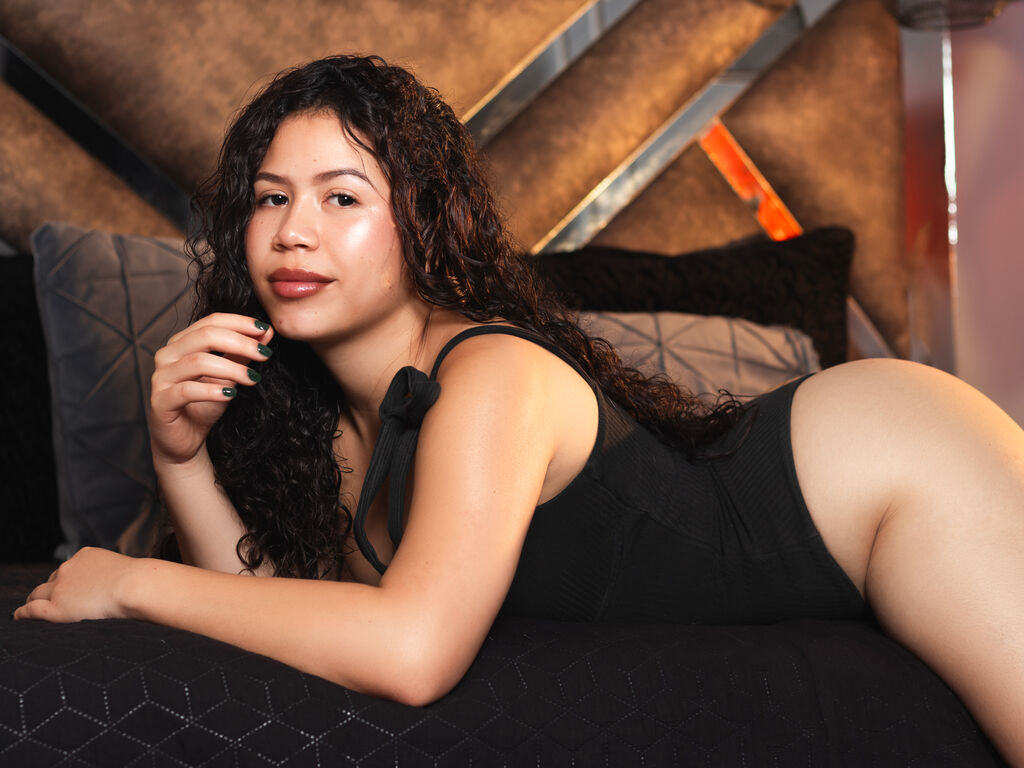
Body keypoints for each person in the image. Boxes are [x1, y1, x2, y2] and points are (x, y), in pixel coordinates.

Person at [14, 54, 1024, 762]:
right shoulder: (329, 420)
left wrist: (133, 584)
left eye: (342, 197)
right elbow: (282, 610)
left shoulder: (488, 374)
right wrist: (181, 457)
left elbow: (410, 651)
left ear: (421, 221)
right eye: (271, 198)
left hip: (885, 474)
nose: (292, 232)